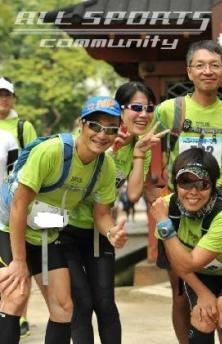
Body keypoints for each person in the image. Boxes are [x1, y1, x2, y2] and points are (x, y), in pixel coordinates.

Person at [153, 39, 222, 343]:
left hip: (217, 206)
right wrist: (153, 177)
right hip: (179, 208)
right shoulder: (170, 110)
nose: (207, 71)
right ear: (189, 71)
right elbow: (144, 140)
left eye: (214, 65)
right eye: (200, 65)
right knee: (182, 296)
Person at [0, 96, 127, 344]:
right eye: (96, 126)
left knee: (63, 307)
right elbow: (18, 205)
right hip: (7, 228)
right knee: (15, 296)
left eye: (111, 129)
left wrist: (112, 233)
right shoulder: (52, 151)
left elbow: (101, 215)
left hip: (46, 233)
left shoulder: (105, 166)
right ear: (82, 124)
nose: (102, 135)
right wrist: (19, 261)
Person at [59, 83, 167, 344]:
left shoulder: (134, 147)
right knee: (81, 303)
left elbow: (132, 194)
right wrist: (110, 145)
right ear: (120, 110)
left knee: (106, 303)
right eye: (137, 108)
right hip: (66, 230)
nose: (144, 114)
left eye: (149, 109)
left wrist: (139, 153)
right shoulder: (96, 134)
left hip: (101, 230)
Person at [151, 148, 222, 344]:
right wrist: (202, 293)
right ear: (175, 184)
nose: (193, 192)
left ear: (213, 185)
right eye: (185, 182)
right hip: (203, 273)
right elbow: (175, 260)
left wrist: (164, 225)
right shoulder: (165, 208)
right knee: (202, 317)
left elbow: (190, 262)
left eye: (202, 184)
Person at [0, 76, 37, 337]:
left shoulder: (23, 128)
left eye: (6, 94)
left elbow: (29, 165)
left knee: (16, 265)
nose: (3, 99)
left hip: (11, 206)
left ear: (14, 97)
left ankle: (20, 315)